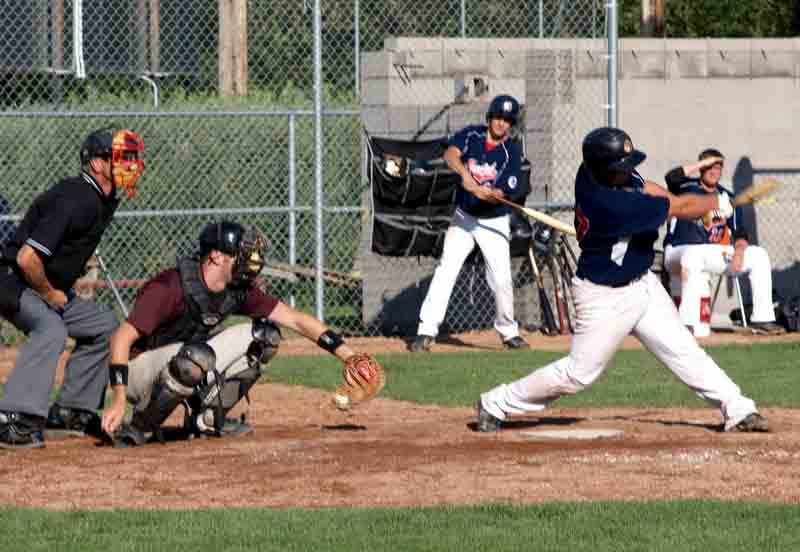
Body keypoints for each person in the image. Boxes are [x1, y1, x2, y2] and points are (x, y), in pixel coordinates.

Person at [475, 127, 769, 434]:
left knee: (684, 350)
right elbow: (679, 207)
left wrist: (696, 206)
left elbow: (653, 191)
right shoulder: (611, 207)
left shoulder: (592, 172)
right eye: (621, 168)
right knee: (578, 374)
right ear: (604, 170)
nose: (628, 172)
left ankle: (737, 408)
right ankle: (496, 402)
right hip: (604, 296)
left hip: (643, 283)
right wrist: (718, 204)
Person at [101, 221, 363, 447]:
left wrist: (349, 356)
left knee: (265, 337)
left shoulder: (237, 288)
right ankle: (138, 426)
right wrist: (119, 398)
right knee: (196, 356)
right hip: (137, 370)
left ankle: (208, 420)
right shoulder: (169, 286)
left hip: (186, 359)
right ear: (216, 256)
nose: (251, 261)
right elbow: (120, 339)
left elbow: (294, 319)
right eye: (240, 254)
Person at [0, 127, 145, 449]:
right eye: (120, 158)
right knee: (51, 329)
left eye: (132, 158)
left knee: (104, 325)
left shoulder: (102, 198)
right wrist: (51, 294)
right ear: (96, 164)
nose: (130, 165)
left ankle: (70, 411)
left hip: (41, 285)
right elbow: (27, 258)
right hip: (11, 279)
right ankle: (13, 418)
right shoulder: (76, 198)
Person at [410, 94, 529, 352]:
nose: (501, 124)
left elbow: (505, 190)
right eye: (498, 117)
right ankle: (426, 331)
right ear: (490, 117)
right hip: (464, 217)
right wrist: (465, 175)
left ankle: (508, 332)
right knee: (446, 269)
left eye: (507, 120)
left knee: (501, 279)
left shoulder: (512, 151)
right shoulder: (472, 135)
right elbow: (451, 154)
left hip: (494, 220)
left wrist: (490, 193)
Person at [663, 149, 785, 335]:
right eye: (709, 166)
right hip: (678, 251)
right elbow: (670, 177)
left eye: (718, 167)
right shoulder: (685, 187)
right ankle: (686, 323)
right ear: (702, 168)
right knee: (694, 254)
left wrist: (739, 252)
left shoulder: (728, 197)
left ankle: (762, 319)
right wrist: (700, 164)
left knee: (758, 255)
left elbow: (740, 232)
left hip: (709, 254)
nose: (714, 171)